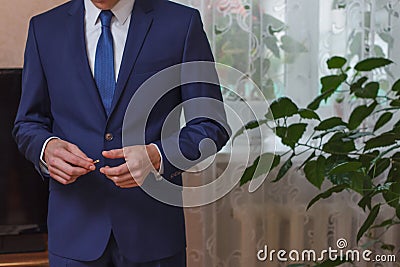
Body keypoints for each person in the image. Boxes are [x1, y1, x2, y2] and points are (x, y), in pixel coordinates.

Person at [13, 0, 230, 266]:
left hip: (154, 236)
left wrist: (158, 156)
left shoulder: (181, 23)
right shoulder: (44, 29)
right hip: (73, 235)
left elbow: (211, 124)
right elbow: (27, 123)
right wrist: (47, 148)